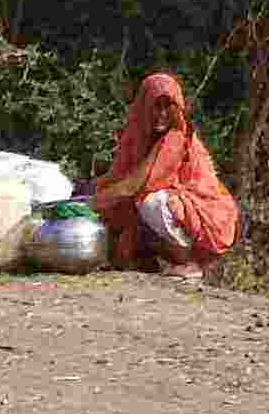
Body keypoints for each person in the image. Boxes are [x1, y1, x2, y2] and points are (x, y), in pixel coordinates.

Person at [90, 70, 241, 271]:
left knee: (151, 202)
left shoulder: (176, 136)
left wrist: (92, 202)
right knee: (120, 205)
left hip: (206, 214)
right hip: (179, 208)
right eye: (156, 107)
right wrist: (89, 190)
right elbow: (117, 176)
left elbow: (133, 185)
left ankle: (189, 262)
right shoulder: (138, 136)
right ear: (144, 106)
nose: (161, 114)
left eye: (167, 107)